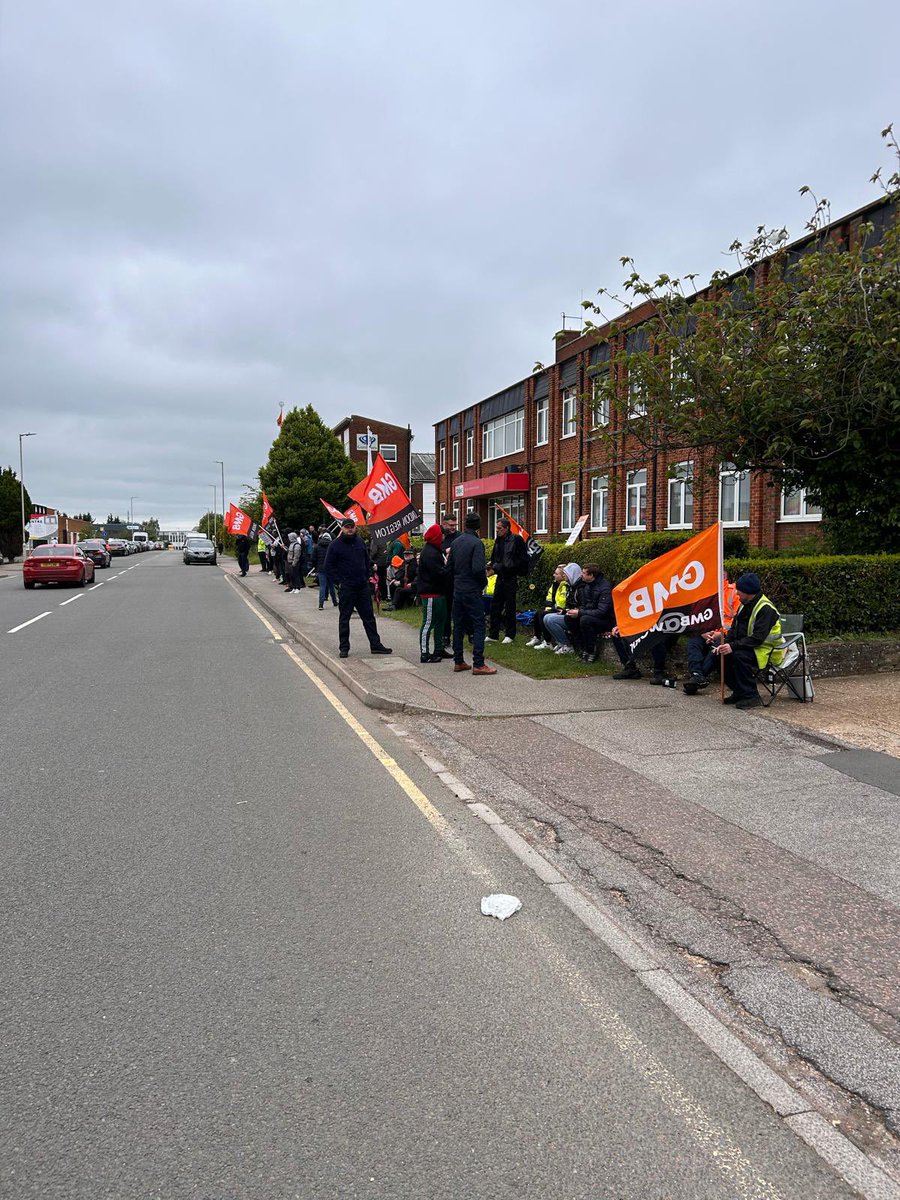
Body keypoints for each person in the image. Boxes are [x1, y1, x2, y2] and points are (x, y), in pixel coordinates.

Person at [711, 572, 783, 709]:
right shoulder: (745, 604)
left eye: (740, 591)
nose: (737, 594)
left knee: (739, 657)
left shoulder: (766, 609)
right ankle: (739, 691)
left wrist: (733, 646)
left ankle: (751, 696)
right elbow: (735, 628)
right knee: (718, 656)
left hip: (766, 650)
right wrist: (726, 642)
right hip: (749, 645)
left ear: (749, 592)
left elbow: (758, 638)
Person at [324, 518, 392, 659]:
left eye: (352, 527)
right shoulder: (335, 545)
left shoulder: (360, 541)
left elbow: (366, 560)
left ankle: (375, 645)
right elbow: (328, 567)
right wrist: (339, 582)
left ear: (355, 528)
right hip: (347, 587)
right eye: (347, 527)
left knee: (369, 617)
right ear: (342, 529)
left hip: (362, 586)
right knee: (345, 618)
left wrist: (367, 576)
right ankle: (344, 647)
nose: (350, 529)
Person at [448, 512, 496, 675]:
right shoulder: (477, 543)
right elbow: (477, 569)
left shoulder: (456, 542)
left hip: (458, 589)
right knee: (478, 624)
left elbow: (450, 568)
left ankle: (459, 661)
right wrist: (483, 582)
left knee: (459, 625)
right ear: (478, 526)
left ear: (465, 524)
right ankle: (478, 663)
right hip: (472, 589)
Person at [683, 574, 740, 694]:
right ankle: (696, 674)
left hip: (724, 634)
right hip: (706, 632)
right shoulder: (703, 591)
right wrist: (703, 631)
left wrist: (719, 633)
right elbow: (695, 617)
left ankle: (698, 677)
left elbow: (737, 621)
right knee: (693, 643)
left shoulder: (734, 592)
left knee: (717, 649)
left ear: (724, 576)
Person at [487, 517, 529, 643]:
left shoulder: (516, 539)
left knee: (510, 606)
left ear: (506, 528)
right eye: (497, 528)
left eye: (500, 528)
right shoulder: (498, 541)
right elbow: (495, 556)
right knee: (495, 606)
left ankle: (510, 634)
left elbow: (523, 559)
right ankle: (493, 634)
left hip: (510, 577)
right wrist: (493, 566)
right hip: (500, 576)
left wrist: (511, 567)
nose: (497, 531)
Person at [417, 524, 449, 663]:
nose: (443, 536)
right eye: (442, 534)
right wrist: (450, 567)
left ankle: (438, 649)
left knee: (440, 622)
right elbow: (439, 573)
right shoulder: (430, 553)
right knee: (428, 623)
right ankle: (424, 653)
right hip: (430, 593)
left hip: (439, 592)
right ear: (437, 536)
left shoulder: (435, 550)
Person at [537, 564, 583, 653]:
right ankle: (561, 643)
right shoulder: (570, 586)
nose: (564, 576)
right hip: (567, 612)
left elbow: (578, 604)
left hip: (576, 615)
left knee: (549, 619)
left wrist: (566, 610)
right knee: (545, 616)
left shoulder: (578, 588)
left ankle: (567, 645)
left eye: (565, 574)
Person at [528, 564, 572, 649]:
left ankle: (548, 642)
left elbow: (562, 602)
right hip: (553, 608)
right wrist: (548, 608)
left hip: (561, 610)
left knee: (542, 614)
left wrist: (552, 609)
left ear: (563, 576)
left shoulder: (565, 586)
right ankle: (537, 637)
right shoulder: (555, 584)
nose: (553, 575)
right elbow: (549, 598)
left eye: (556, 574)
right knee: (538, 613)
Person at [440, 513, 460, 649]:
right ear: (444, 524)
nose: (453, 528)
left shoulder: (459, 537)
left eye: (455, 525)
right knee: (445, 610)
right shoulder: (440, 537)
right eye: (450, 525)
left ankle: (465, 633)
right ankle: (445, 636)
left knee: (459, 608)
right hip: (444, 579)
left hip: (457, 577)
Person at [314, 531, 338, 609]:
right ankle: (334, 602)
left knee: (322, 586)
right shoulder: (332, 546)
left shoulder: (317, 547)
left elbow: (313, 558)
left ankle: (321, 604)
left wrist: (316, 567)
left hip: (321, 568)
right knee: (331, 586)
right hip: (330, 569)